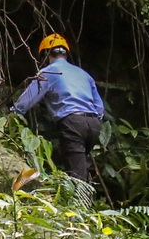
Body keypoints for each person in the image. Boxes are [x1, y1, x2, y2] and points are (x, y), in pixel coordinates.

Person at [10, 34, 106, 183]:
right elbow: (99, 108)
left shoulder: (50, 72)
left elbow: (28, 99)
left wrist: (14, 114)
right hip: (93, 124)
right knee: (77, 164)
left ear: (46, 54)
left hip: (73, 122)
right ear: (65, 53)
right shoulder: (84, 74)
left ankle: (79, 204)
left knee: (77, 176)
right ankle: (80, 197)